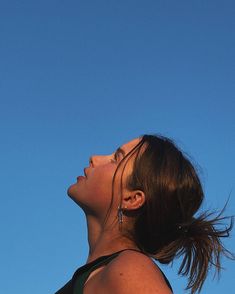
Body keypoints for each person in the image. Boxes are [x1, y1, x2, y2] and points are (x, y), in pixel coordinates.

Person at [55, 134, 234, 294]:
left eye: (116, 159)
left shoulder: (131, 270)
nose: (94, 158)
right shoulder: (103, 274)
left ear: (132, 199)